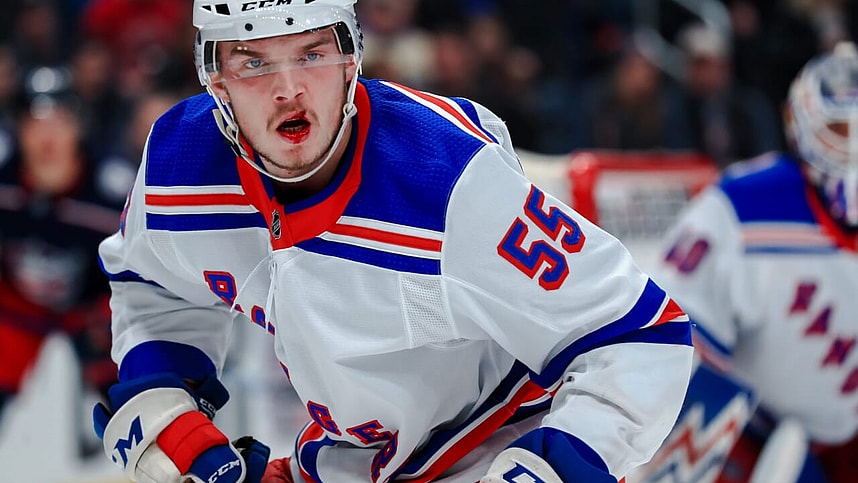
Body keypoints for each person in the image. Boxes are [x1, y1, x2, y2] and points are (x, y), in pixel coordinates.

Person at [91, 1, 694, 482]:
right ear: (215, 78)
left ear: (350, 56)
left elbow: (641, 333)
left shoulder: (449, 177)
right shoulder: (179, 164)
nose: (288, 89)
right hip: (347, 460)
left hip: (498, 443)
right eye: (254, 63)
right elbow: (151, 280)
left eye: (311, 53)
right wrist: (164, 394)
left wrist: (554, 466)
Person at [650, 42, 858, 483]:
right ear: (801, 122)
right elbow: (670, 337)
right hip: (751, 437)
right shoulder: (743, 207)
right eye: (841, 129)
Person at [0, 82, 122, 425]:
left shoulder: (111, 191)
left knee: (135, 398)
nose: (47, 138)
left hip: (93, 312)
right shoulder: (5, 181)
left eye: (60, 123)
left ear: (78, 130)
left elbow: (146, 269)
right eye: (35, 125)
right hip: (18, 308)